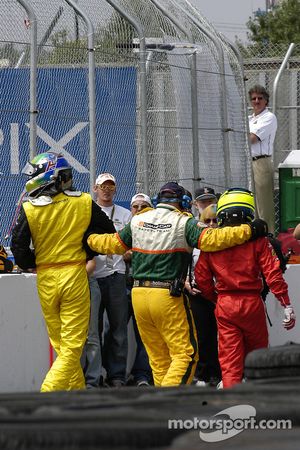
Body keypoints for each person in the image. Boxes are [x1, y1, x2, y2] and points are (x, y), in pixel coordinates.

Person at [84, 181, 269, 387]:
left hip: (138, 296)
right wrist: (250, 229)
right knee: (186, 355)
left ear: (157, 201)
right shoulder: (184, 222)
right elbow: (216, 238)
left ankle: (160, 407)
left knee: (159, 359)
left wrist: (88, 239)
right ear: (183, 202)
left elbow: (111, 244)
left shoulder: (138, 220)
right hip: (167, 296)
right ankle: (168, 401)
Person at [10, 152, 115, 392]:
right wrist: (86, 253)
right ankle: (46, 395)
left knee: (61, 344)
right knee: (71, 347)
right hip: (74, 276)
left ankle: (75, 397)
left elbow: (18, 246)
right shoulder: (83, 201)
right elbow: (105, 231)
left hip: (45, 278)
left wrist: (31, 265)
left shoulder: (30, 207)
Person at [194, 188, 296, 389]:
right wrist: (287, 305)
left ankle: (233, 412)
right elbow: (273, 273)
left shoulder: (212, 242)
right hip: (252, 303)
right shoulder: (258, 241)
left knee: (230, 365)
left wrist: (217, 299)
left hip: (225, 304)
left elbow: (202, 278)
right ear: (248, 212)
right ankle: (258, 408)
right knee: (257, 360)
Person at [93, 173, 131, 388]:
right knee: (93, 329)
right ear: (95, 188)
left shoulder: (125, 215)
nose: (106, 190)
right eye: (102, 186)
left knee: (118, 329)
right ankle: (95, 374)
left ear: (115, 189)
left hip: (117, 276)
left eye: (110, 186)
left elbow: (133, 245)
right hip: (94, 276)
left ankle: (116, 375)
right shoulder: (87, 212)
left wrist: (128, 253)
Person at [185, 203, 221, 387]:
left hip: (222, 294)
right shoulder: (194, 240)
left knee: (223, 336)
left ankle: (220, 372)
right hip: (198, 294)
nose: (212, 224)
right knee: (202, 336)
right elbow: (182, 263)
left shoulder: (225, 240)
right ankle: (204, 373)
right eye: (208, 220)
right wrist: (186, 283)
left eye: (216, 220)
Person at [125, 193, 153, 387]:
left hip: (146, 287)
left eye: (144, 206)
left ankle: (142, 375)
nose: (139, 210)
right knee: (114, 333)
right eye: (136, 206)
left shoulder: (155, 230)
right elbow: (121, 252)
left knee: (144, 334)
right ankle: (114, 376)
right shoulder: (126, 228)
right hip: (123, 285)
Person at [248, 84, 277, 234]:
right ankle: (255, 239)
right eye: (253, 99)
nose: (257, 101)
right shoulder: (249, 119)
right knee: (251, 203)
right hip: (248, 163)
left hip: (261, 162)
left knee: (264, 206)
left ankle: (269, 239)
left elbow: (251, 139)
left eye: (260, 98)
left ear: (266, 101)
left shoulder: (269, 117)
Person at [81, 258, 102, 389]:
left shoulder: (82, 237)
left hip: (86, 283)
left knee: (91, 337)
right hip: (68, 285)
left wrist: (72, 278)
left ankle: (92, 382)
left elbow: (91, 264)